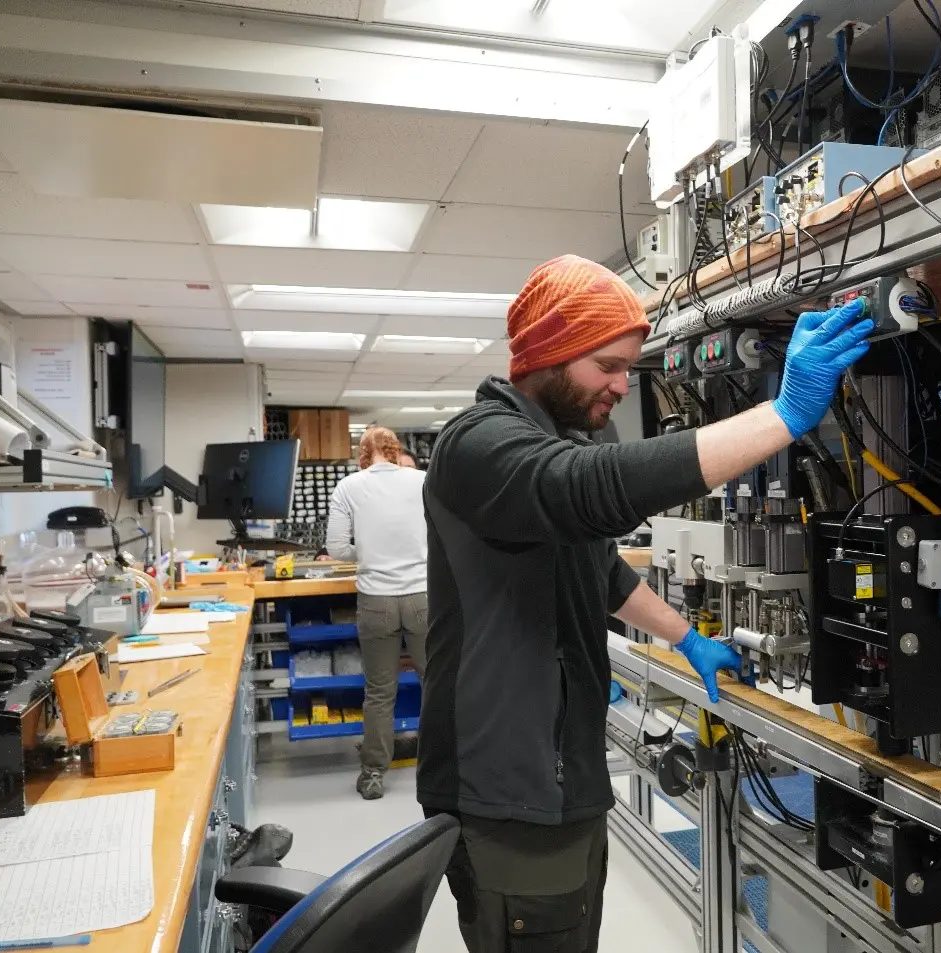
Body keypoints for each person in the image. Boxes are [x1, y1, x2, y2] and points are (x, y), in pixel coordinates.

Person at [419, 254, 873, 952]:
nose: (620, 385)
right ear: (550, 352)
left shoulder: (555, 442)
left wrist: (686, 637)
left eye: (629, 367)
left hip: (563, 775)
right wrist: (781, 417)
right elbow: (587, 487)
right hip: (508, 787)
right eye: (607, 365)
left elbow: (599, 571)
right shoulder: (477, 447)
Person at [326, 427, 429, 800]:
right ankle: (446, 766)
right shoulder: (422, 480)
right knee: (435, 682)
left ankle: (372, 775)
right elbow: (445, 531)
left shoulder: (349, 487)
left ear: (363, 454)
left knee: (379, 692)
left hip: (376, 601)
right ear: (395, 449)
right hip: (422, 596)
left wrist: (367, 552)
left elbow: (336, 547)